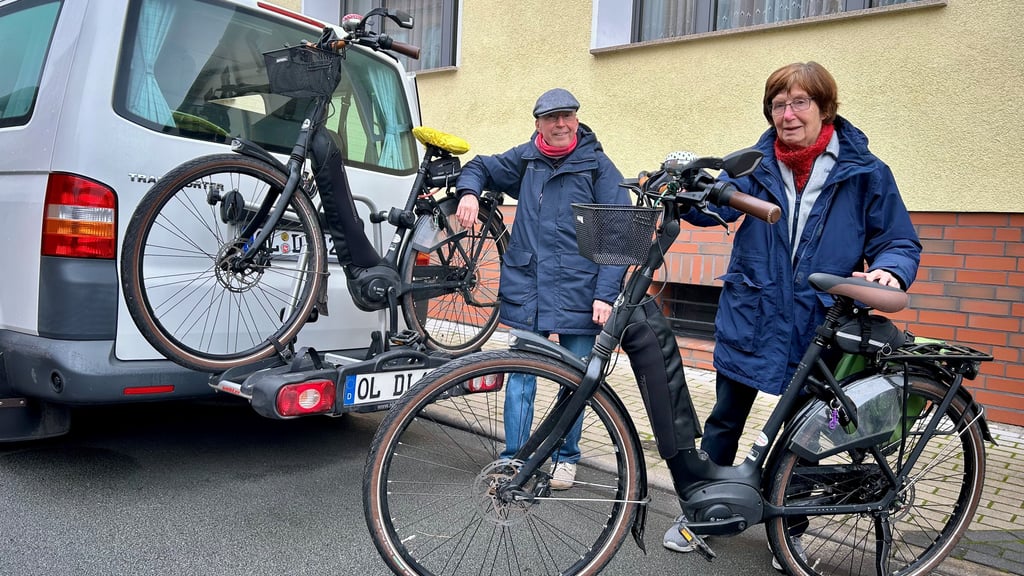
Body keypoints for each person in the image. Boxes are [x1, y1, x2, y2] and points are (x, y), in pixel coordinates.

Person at [661, 62, 922, 571]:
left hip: (817, 322)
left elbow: (898, 239)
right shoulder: (755, 166)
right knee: (724, 422)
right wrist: (681, 185)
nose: (788, 113)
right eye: (779, 104)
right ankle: (704, 515)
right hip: (752, 313)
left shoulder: (865, 172)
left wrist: (890, 270)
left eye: (800, 102)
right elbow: (713, 208)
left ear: (825, 109)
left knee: (804, 438)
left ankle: (788, 529)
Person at [454, 88, 630, 490]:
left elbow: (618, 231)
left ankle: (566, 458)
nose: (560, 124)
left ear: (577, 119)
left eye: (567, 116)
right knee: (521, 377)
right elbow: (480, 166)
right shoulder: (527, 159)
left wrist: (605, 294)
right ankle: (513, 457)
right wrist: (468, 193)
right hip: (528, 287)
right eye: (552, 118)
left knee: (577, 380)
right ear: (538, 124)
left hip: (580, 291)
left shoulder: (597, 167)